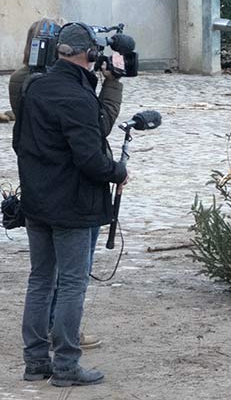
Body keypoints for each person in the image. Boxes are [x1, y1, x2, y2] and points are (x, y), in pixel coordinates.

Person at [13, 23, 129, 386]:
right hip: (73, 206)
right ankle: (65, 365)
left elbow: (20, 144)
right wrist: (117, 171)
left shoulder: (34, 88)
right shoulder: (78, 99)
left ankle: (35, 362)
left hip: (38, 203)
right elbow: (90, 159)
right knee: (72, 284)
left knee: (41, 280)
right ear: (89, 54)